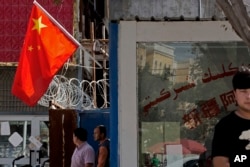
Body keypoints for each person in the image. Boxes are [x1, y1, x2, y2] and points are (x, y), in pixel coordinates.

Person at [211, 66, 250, 167]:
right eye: (243, 91)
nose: (248, 96)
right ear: (235, 94)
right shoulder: (225, 127)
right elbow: (221, 163)